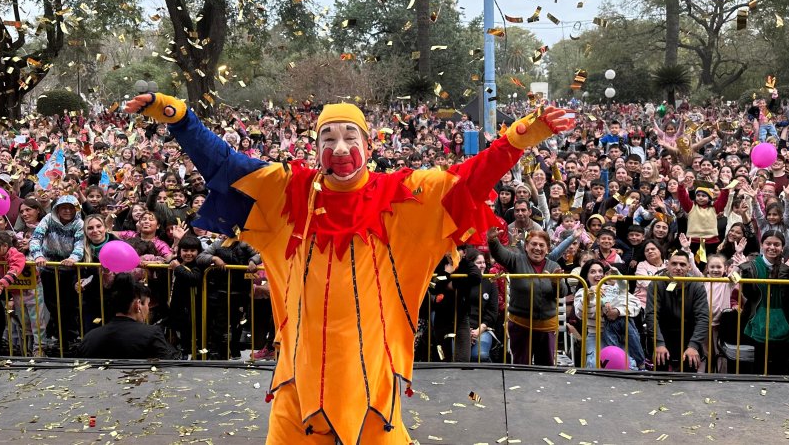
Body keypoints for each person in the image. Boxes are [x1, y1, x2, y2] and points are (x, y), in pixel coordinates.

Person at [124, 92, 573, 444]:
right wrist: (177, 117)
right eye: (328, 138)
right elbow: (224, 165)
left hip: (370, 367)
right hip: (301, 364)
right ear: (314, 145)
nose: (339, 149)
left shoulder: (403, 193)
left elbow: (469, 178)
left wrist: (519, 137)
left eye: (349, 137)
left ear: (368, 143)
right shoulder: (288, 190)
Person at [487, 228, 567, 366]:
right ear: (526, 246)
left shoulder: (554, 266)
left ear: (547, 249)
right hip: (520, 326)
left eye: (542, 245)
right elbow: (500, 254)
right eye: (533, 244)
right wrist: (493, 241)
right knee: (521, 368)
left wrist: (556, 283)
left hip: (546, 328)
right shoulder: (516, 260)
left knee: (546, 368)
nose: (537, 248)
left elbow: (563, 292)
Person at [76, 273, 180, 359]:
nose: (148, 309)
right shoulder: (152, 334)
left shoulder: (90, 338)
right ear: (138, 304)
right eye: (148, 304)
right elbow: (168, 367)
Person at [29, 195, 85, 349]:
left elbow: (80, 243)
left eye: (70, 208)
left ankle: (70, 338)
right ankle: (55, 337)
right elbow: (36, 238)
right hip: (48, 267)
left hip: (69, 269)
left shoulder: (79, 223)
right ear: (57, 209)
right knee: (51, 304)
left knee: (70, 305)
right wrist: (38, 255)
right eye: (63, 208)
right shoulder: (48, 219)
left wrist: (74, 258)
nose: (67, 211)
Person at [736, 230, 789, 375]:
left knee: (782, 367)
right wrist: (746, 271)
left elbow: (787, 296)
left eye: (776, 244)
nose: (772, 247)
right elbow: (749, 294)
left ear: (783, 247)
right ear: (762, 245)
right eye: (768, 243)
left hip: (783, 321)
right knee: (760, 367)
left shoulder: (787, 266)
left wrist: (785, 272)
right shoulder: (752, 265)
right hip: (759, 319)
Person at [645, 251, 710, 372]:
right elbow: (651, 315)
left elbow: (703, 317)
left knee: (689, 375)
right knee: (660, 375)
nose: (678, 268)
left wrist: (693, 346)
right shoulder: (656, 283)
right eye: (674, 264)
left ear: (689, 267)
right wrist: (658, 343)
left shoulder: (697, 286)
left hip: (688, 334)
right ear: (667, 265)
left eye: (682, 264)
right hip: (662, 333)